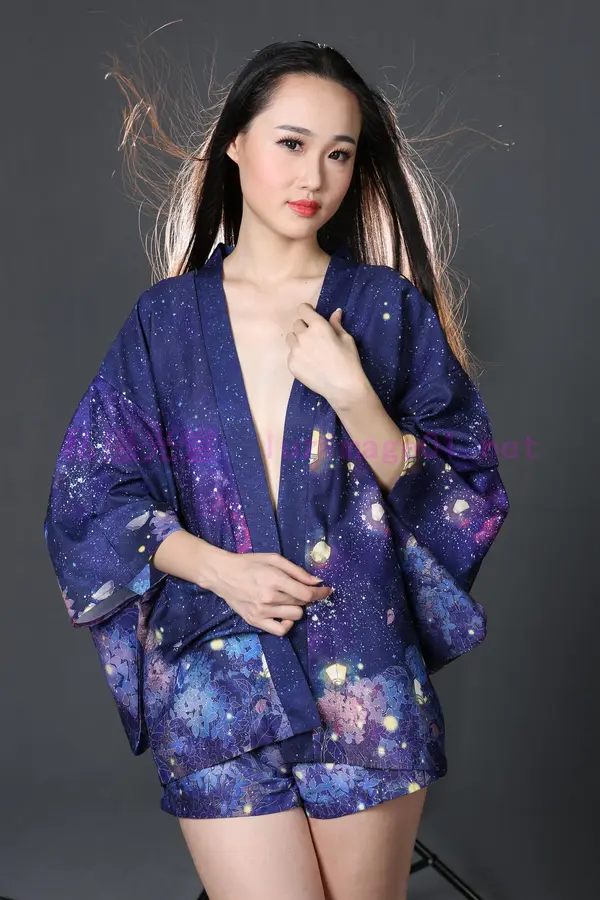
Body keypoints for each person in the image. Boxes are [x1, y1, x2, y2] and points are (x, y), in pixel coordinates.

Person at [43, 39, 509, 900]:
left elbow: (464, 490)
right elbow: (89, 496)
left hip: (361, 675)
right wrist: (220, 570)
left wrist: (354, 394)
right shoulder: (165, 322)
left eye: (339, 153)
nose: (314, 176)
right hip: (213, 682)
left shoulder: (385, 309)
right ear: (235, 142)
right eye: (292, 143)